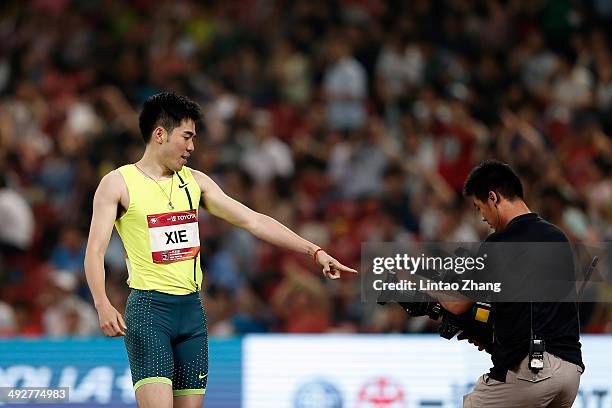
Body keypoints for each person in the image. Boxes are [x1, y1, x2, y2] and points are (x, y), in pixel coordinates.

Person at [84, 91, 357, 408]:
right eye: (186, 137)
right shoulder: (118, 184)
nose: (192, 147)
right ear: (160, 133)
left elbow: (254, 221)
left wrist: (314, 251)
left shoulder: (196, 182)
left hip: (192, 316)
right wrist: (102, 304)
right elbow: (94, 250)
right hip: (149, 313)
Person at [443, 160, 584, 408]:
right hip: (570, 371)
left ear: (493, 197)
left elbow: (457, 304)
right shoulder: (557, 236)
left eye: (479, 208)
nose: (482, 218)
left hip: (534, 371)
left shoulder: (500, 242)